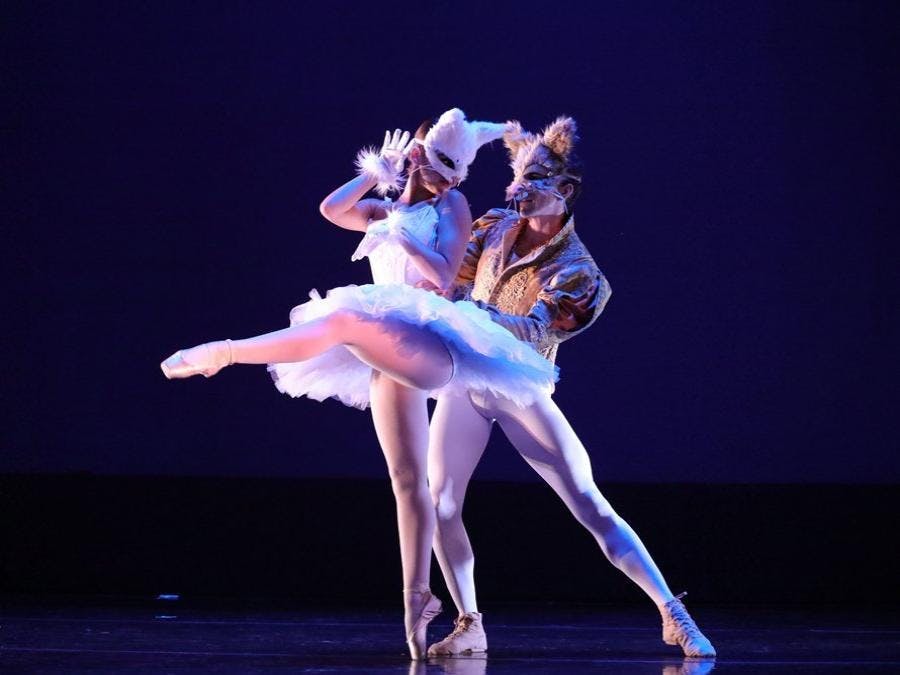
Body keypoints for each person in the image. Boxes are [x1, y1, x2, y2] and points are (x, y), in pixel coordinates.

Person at [159, 109, 557, 659]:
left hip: (428, 341)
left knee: (343, 321)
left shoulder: (451, 206)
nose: (449, 180)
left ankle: (223, 353)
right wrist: (375, 174)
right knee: (407, 479)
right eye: (441, 167)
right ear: (415, 155)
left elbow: (444, 276)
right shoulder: (386, 207)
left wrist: (404, 239)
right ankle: (417, 600)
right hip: (387, 345)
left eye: (457, 172)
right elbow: (331, 210)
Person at [425, 117, 716, 659]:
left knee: (587, 500)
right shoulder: (494, 226)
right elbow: (453, 279)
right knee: (440, 501)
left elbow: (537, 330)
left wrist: (471, 314)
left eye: (533, 178)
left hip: (516, 385)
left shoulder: (579, 271)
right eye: (517, 175)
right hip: (465, 379)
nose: (517, 187)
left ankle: (671, 612)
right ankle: (469, 621)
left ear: (565, 189)